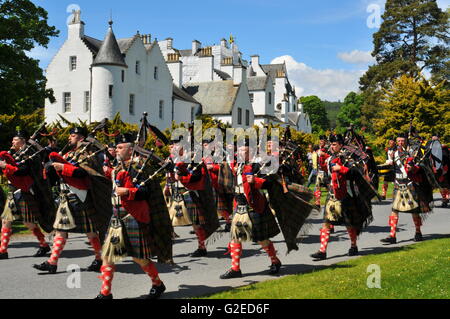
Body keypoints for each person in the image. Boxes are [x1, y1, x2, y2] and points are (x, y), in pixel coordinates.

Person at [96, 133, 171, 299]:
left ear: (131, 150)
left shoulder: (139, 168)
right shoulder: (117, 167)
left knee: (139, 258)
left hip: (132, 216)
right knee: (107, 255)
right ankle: (105, 293)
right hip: (116, 216)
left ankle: (157, 284)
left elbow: (146, 192)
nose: (116, 149)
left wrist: (128, 192)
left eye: (120, 147)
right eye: (116, 147)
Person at [33, 127, 111, 274]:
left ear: (81, 138)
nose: (70, 138)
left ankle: (99, 258)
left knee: (89, 231)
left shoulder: (87, 153)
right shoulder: (69, 154)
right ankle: (53, 262)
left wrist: (63, 167)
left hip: (79, 196)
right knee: (62, 229)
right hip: (66, 196)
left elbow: (84, 173)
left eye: (73, 135)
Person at [220, 139, 282, 279]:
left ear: (252, 151)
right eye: (240, 150)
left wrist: (256, 181)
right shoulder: (239, 164)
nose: (240, 153)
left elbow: (270, 182)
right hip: (239, 204)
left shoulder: (258, 165)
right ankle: (235, 269)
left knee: (261, 239)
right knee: (235, 237)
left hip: (253, 206)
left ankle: (275, 261)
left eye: (244, 151)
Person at [310, 134, 375, 260]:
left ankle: (353, 245)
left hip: (346, 195)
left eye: (334, 145)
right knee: (327, 223)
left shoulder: (348, 158)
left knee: (349, 223)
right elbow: (325, 170)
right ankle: (322, 251)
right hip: (332, 194)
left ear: (340, 145)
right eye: (331, 145)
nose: (332, 147)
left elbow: (356, 172)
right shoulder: (330, 158)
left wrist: (342, 168)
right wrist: (322, 159)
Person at [0, 130, 51, 259]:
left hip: (24, 191)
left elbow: (23, 171)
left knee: (29, 223)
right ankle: (3, 250)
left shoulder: (30, 153)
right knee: (6, 220)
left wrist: (6, 166)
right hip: (13, 190)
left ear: (22, 140)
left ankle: (44, 244)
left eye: (15, 139)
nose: (12, 142)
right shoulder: (15, 153)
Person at [380, 133, 433, 244]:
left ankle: (418, 232)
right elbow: (393, 168)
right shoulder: (394, 153)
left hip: (409, 184)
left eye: (402, 141)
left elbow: (420, 167)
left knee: (414, 210)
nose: (400, 143)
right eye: (398, 141)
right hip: (398, 184)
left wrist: (413, 167)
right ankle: (392, 236)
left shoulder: (412, 153)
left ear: (406, 141)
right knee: (394, 210)